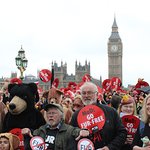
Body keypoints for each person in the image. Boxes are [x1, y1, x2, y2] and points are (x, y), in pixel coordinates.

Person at [70, 82, 127, 150]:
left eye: (89, 92)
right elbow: (71, 136)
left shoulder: (111, 112)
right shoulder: (76, 115)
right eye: (84, 93)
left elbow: (122, 133)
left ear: (97, 94)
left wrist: (109, 148)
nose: (86, 95)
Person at [22, 103, 89, 150]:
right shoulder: (41, 129)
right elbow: (32, 135)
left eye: (53, 113)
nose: (50, 115)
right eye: (48, 113)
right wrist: (27, 132)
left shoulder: (69, 130)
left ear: (61, 116)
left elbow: (77, 132)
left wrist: (82, 132)